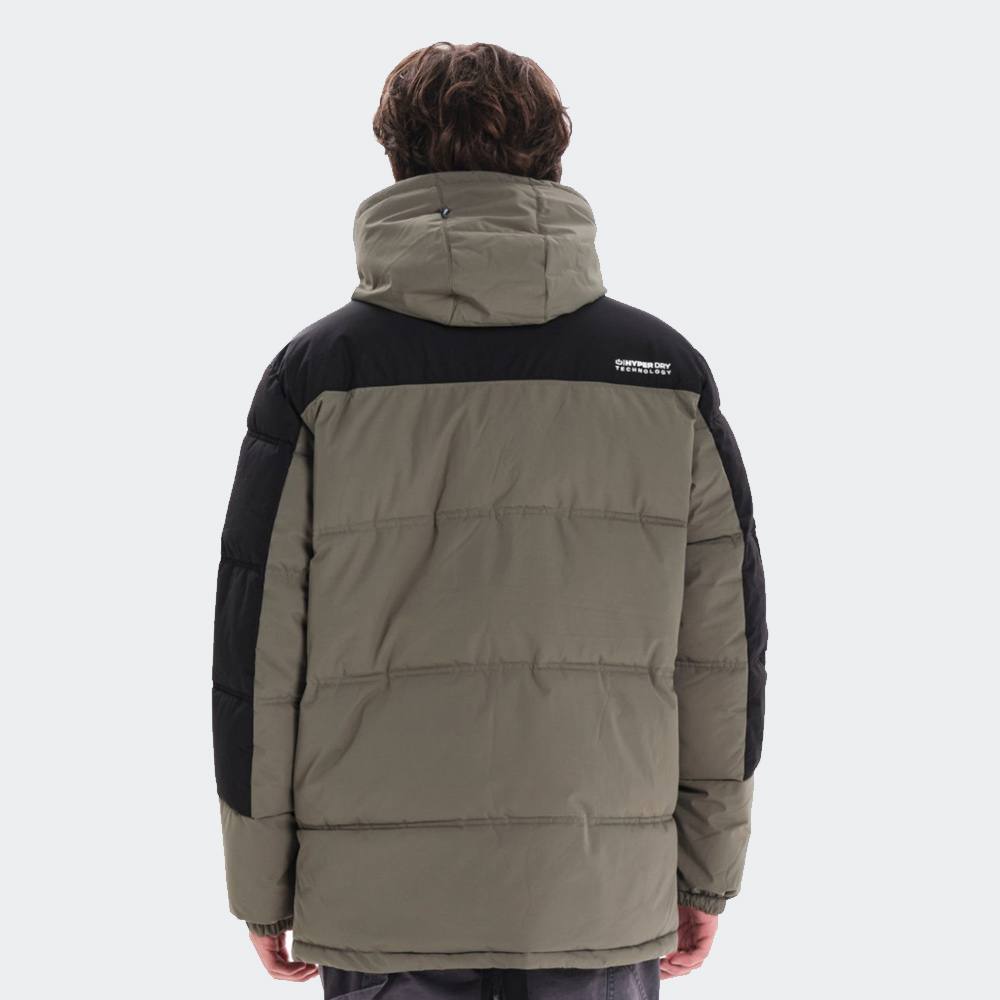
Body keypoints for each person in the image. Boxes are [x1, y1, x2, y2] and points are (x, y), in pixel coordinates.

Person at [212, 41, 767, 999]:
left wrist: (262, 888)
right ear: (552, 156)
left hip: (382, 909)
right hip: (595, 900)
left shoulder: (318, 377)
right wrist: (704, 872)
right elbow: (722, 657)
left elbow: (255, 659)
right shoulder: (661, 375)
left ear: (397, 158)